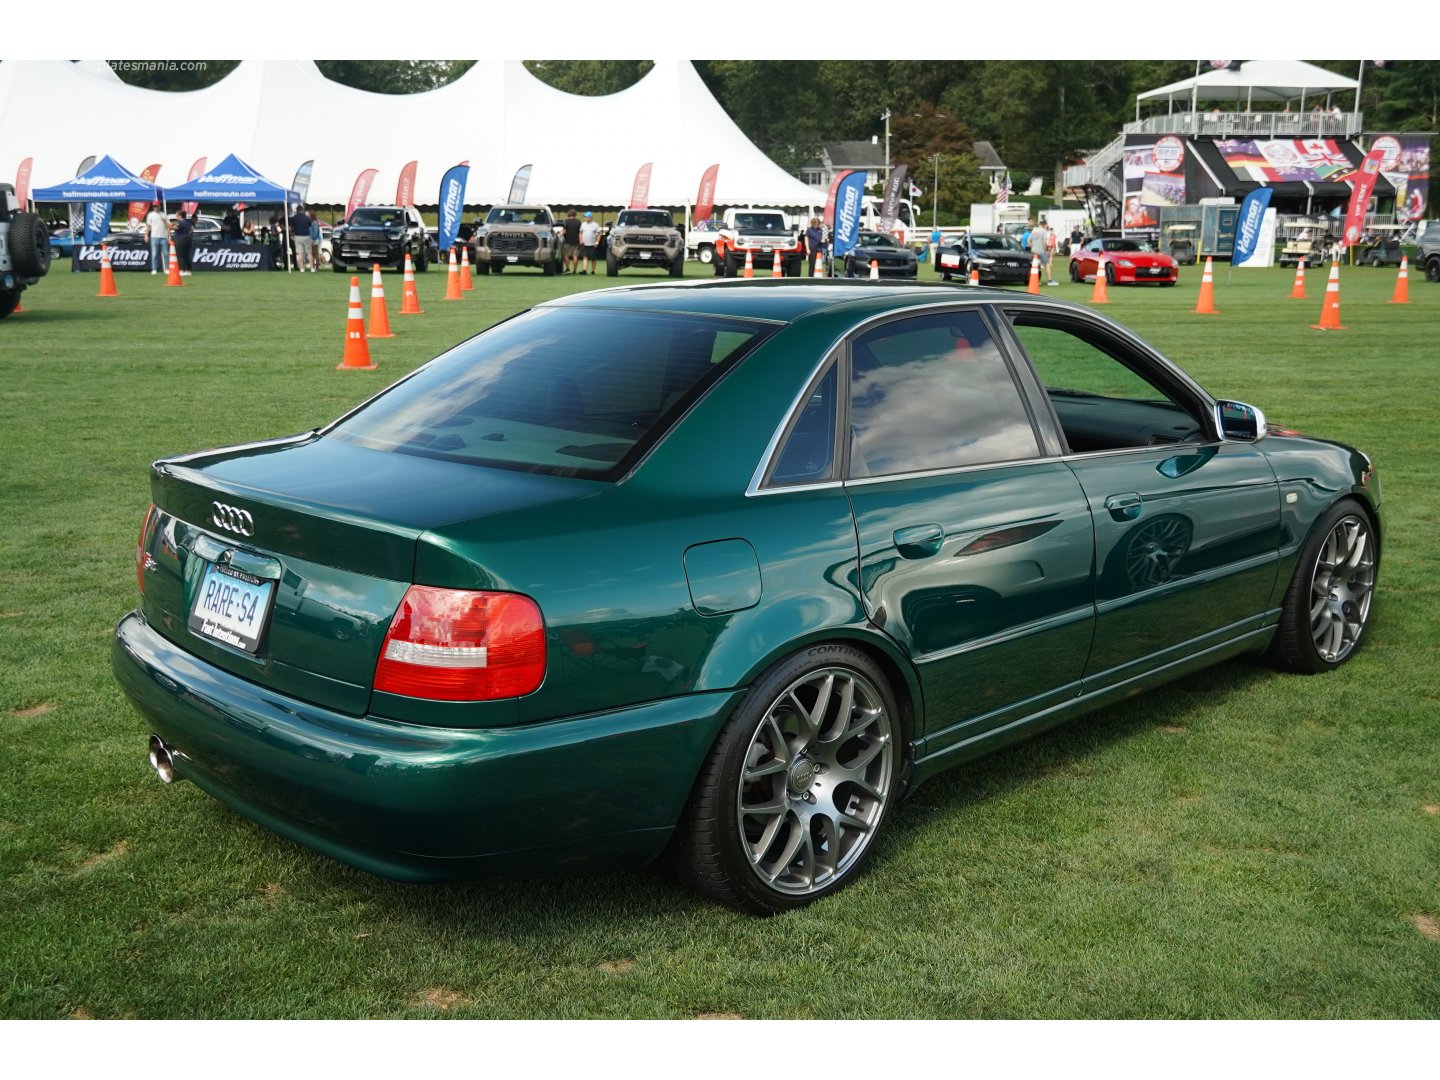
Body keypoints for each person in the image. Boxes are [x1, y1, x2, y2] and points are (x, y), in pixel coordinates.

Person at [144, 202, 169, 274]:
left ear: (160, 206)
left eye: (157, 206)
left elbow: (168, 226)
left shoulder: (164, 214)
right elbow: (148, 226)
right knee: (154, 254)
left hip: (163, 236)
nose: (156, 208)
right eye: (154, 206)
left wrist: (168, 236)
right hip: (154, 236)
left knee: (166, 254)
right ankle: (154, 269)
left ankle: (167, 269)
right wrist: (146, 235)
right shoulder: (150, 215)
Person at [290, 205, 314, 272]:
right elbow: (310, 226)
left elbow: (290, 228)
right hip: (307, 236)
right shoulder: (307, 218)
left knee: (300, 253)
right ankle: (312, 268)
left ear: (297, 210)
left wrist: (291, 235)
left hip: (298, 237)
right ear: (302, 210)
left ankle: (302, 268)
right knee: (309, 253)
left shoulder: (294, 218)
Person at [172, 210, 194, 277]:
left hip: (181, 240)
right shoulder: (188, 222)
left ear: (180, 216)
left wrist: (168, 225)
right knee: (186, 256)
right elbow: (191, 230)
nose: (176, 217)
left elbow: (176, 228)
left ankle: (182, 270)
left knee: (181, 256)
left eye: (177, 215)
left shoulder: (181, 222)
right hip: (188, 239)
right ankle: (188, 271)